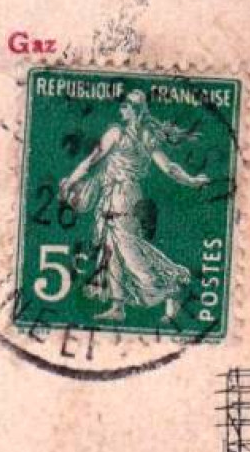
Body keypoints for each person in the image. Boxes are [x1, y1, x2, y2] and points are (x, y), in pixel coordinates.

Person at [59, 89, 211, 325]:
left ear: (135, 110)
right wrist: (191, 180)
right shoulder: (147, 135)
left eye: (125, 106)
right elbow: (169, 167)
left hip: (121, 196)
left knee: (129, 250)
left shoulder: (116, 133)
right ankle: (118, 306)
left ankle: (171, 287)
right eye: (122, 106)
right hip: (121, 195)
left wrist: (71, 180)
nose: (121, 110)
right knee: (112, 250)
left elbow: (91, 161)